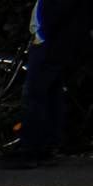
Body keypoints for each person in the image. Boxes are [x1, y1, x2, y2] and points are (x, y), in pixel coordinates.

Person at [15, 0, 91, 165]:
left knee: (35, 95)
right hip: (63, 42)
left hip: (52, 43)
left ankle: (30, 150)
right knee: (52, 94)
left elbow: (57, 9)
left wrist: (41, 35)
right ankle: (46, 148)